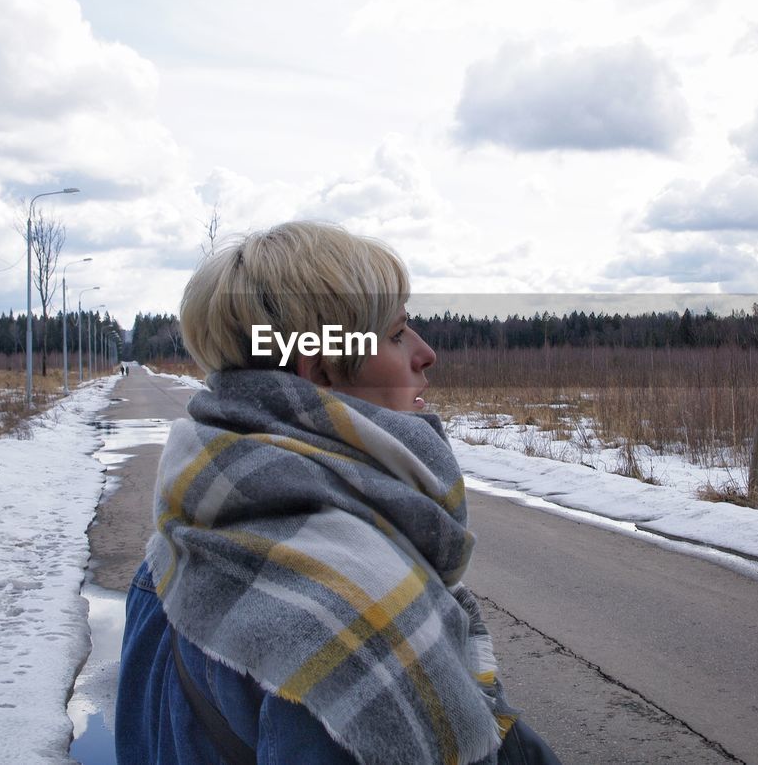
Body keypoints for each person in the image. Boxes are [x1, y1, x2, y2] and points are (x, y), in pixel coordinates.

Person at [116, 221, 562, 764]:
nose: (426, 354)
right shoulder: (346, 620)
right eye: (396, 334)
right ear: (321, 370)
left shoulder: (176, 544)